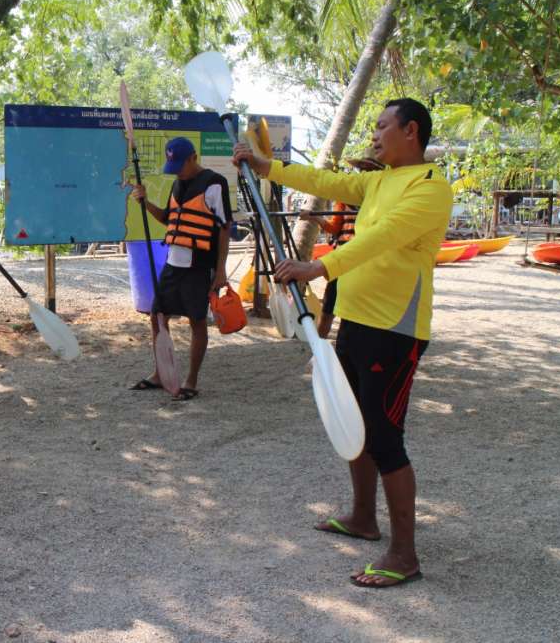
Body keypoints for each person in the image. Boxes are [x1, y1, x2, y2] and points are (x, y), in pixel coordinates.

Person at [234, 98, 452, 588]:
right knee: (351, 423)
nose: (374, 135)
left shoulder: (430, 187)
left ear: (410, 131)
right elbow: (326, 182)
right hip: (356, 322)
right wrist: (268, 166)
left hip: (394, 330)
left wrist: (319, 267)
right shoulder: (377, 180)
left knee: (384, 438)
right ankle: (362, 518)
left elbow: (386, 237)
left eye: (382, 126)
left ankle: (404, 555)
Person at [128, 137, 232, 401]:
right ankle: (160, 373)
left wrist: (220, 271)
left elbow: (224, 227)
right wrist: (144, 202)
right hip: (174, 263)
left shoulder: (214, 183)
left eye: (179, 165)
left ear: (193, 158)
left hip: (199, 265)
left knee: (196, 321)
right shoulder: (177, 183)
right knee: (157, 316)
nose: (176, 171)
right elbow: (167, 218)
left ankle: (191, 380)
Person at [299, 200, 357, 338]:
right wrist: (315, 217)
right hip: (341, 260)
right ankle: (319, 347)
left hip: (363, 262)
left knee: (353, 313)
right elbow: (334, 227)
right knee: (328, 308)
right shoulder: (343, 200)